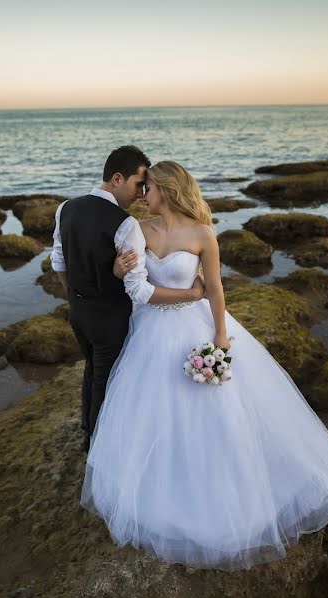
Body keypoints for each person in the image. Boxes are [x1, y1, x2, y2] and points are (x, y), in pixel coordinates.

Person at [80, 160, 328, 570]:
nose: (144, 195)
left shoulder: (202, 233)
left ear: (168, 189)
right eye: (143, 189)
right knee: (154, 409)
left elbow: (214, 288)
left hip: (196, 327)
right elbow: (133, 284)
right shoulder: (137, 230)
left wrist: (220, 336)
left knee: (217, 410)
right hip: (150, 330)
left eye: (150, 188)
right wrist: (116, 267)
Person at [50, 146, 205, 453]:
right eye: (138, 184)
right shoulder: (126, 225)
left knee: (92, 368)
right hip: (109, 316)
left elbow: (58, 261)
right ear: (118, 179)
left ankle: (87, 430)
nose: (140, 194)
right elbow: (139, 291)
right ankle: (98, 445)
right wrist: (192, 293)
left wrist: (74, 297)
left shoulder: (66, 207)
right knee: (106, 380)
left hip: (78, 312)